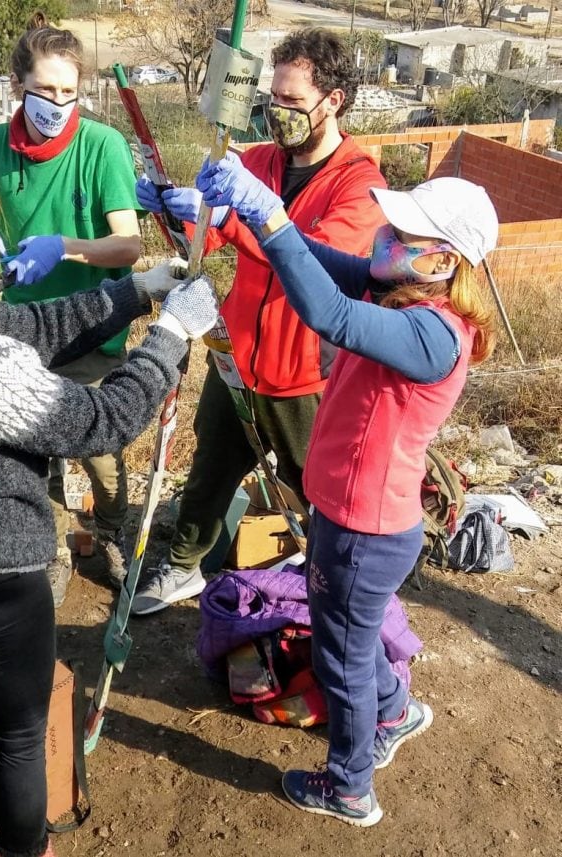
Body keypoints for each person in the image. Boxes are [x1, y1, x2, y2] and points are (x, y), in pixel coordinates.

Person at [0, 151, 217, 857]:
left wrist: (137, 292)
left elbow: (23, 330)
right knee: (20, 736)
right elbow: (100, 420)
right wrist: (171, 340)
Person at [197, 151, 498, 827]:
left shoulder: (432, 332)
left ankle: (350, 785)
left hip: (366, 529)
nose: (386, 241)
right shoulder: (407, 290)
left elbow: (329, 313)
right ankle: (394, 708)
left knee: (341, 655)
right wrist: (249, 218)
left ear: (446, 260)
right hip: (354, 515)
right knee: (350, 638)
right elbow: (324, 264)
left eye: (406, 237)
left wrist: (269, 215)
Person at [131, 28, 387, 615]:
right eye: (274, 99)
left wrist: (247, 214)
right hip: (236, 354)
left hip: (306, 373)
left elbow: (314, 262)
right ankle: (183, 566)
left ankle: (337, 587)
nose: (279, 114)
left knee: (319, 489)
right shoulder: (259, 160)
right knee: (210, 467)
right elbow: (214, 229)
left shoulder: (360, 183)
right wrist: (182, 208)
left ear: (334, 101)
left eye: (294, 102)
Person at [0, 14, 142, 603]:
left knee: (97, 446)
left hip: (92, 320)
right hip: (21, 325)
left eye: (69, 92)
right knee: (27, 445)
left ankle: (113, 530)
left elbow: (130, 244)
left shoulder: (101, 146)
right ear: (19, 82)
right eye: (46, 89)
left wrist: (64, 248)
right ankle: (47, 548)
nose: (58, 102)